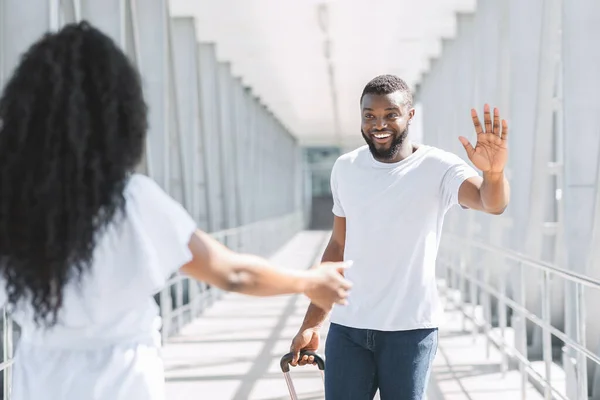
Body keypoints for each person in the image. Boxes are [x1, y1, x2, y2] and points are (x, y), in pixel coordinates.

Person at [0, 21, 352, 400]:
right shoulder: (130, 201)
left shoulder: (9, 207)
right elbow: (231, 272)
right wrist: (307, 281)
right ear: (118, 116)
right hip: (122, 383)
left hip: (38, 382)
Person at [289, 75, 510, 399]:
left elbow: (491, 203)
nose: (379, 124)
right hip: (348, 330)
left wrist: (493, 174)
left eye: (390, 114)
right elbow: (338, 247)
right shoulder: (345, 168)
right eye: (370, 115)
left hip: (411, 332)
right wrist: (312, 322)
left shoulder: (439, 167)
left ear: (410, 115)